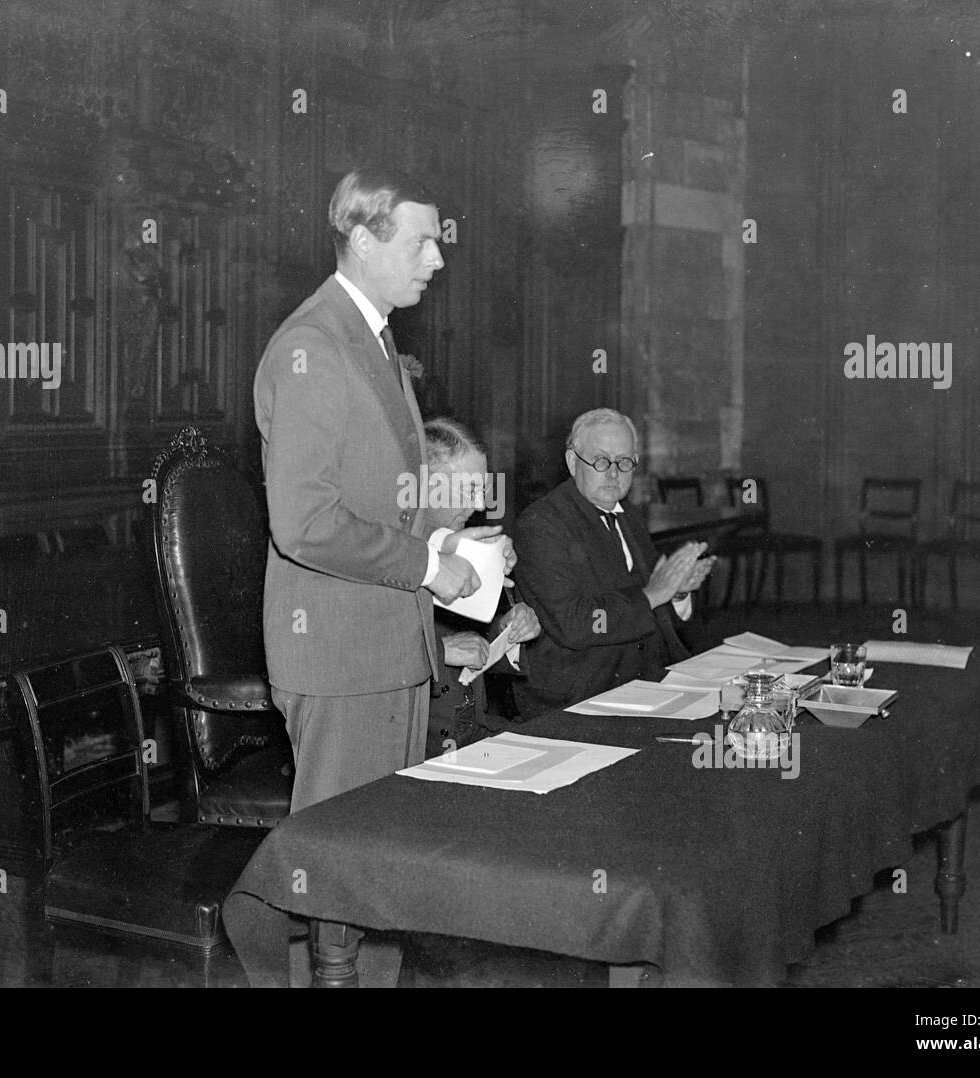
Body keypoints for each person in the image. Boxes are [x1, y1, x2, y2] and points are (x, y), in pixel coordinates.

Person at [254, 167, 513, 812]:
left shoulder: (375, 341)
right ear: (365, 241)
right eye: (420, 242)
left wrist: (451, 541)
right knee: (342, 869)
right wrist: (430, 566)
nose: (438, 257)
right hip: (342, 658)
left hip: (389, 649)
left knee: (376, 861)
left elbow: (381, 498)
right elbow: (305, 524)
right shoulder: (311, 347)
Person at [512, 408, 715, 718]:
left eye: (624, 462)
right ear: (572, 462)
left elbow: (647, 607)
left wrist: (675, 592)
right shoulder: (542, 524)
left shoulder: (627, 515)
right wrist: (653, 594)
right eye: (601, 461)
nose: (613, 474)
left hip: (641, 681)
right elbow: (575, 623)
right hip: (578, 696)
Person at [420, 418, 541, 759]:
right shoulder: (391, 553)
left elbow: (473, 649)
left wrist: (508, 632)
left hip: (472, 734)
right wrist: (441, 650)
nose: (479, 506)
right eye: (468, 491)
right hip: (417, 748)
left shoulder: (468, 545)